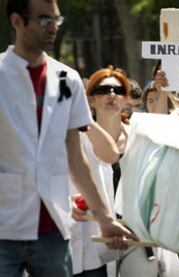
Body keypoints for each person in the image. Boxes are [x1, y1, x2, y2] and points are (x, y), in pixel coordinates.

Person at [0, 1, 135, 276]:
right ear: (17, 21)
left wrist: (105, 218)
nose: (53, 28)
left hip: (53, 229)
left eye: (56, 20)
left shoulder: (68, 79)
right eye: (43, 20)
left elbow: (76, 157)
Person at [70, 66, 132, 276]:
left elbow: (110, 155)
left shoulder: (139, 137)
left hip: (130, 236)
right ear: (91, 99)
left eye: (118, 90)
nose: (111, 95)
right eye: (102, 90)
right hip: (76, 242)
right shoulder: (74, 134)